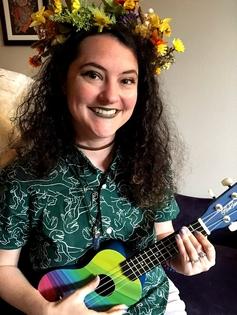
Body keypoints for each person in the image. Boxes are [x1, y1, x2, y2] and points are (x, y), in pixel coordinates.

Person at [0, 1, 216, 314]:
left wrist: (184, 260)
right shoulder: (21, 177)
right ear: (63, 81)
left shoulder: (151, 161)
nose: (111, 96)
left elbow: (163, 234)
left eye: (127, 80)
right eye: (93, 75)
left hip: (149, 303)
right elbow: (4, 267)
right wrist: (44, 311)